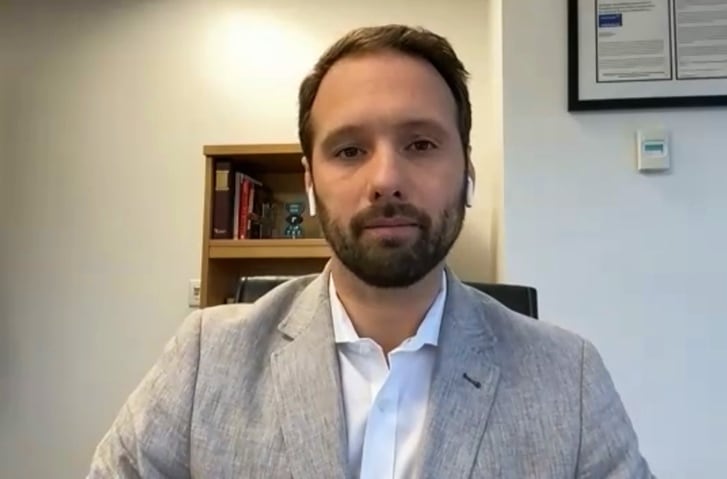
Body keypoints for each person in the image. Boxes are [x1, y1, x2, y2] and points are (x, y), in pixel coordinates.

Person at [88, 24, 654, 478]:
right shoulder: (205, 359)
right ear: (310, 183)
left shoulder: (568, 379)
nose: (386, 179)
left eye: (422, 144)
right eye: (351, 149)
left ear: (467, 172)